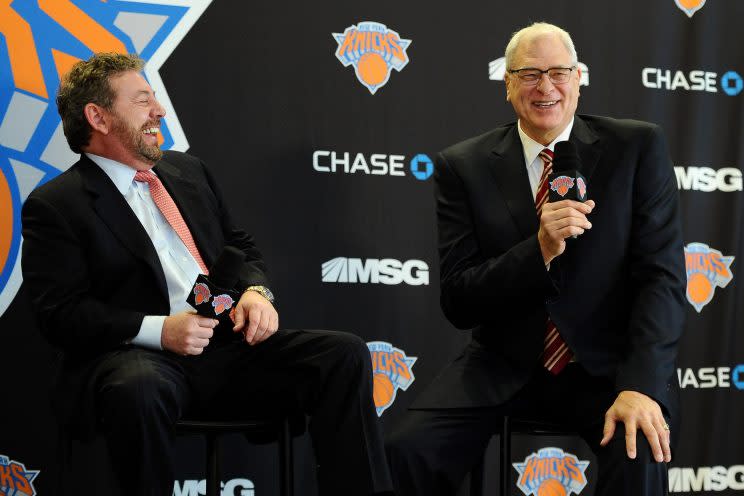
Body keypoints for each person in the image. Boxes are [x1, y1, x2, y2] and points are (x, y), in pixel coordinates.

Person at [21, 52, 392, 496]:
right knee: (138, 388)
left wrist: (256, 292)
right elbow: (59, 315)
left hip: (229, 352)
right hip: (143, 361)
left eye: (154, 98)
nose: (159, 110)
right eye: (142, 100)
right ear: (97, 117)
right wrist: (162, 331)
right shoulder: (56, 205)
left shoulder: (188, 171)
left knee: (343, 354)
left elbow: (242, 247)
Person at [386, 22, 686, 496]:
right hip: (501, 363)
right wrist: (539, 250)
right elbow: (460, 300)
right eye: (528, 74)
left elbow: (663, 279)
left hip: (607, 367)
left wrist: (641, 385)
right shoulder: (462, 165)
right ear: (507, 85)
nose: (545, 87)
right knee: (402, 454)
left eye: (559, 72)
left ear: (579, 78)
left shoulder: (636, 147)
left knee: (639, 449)